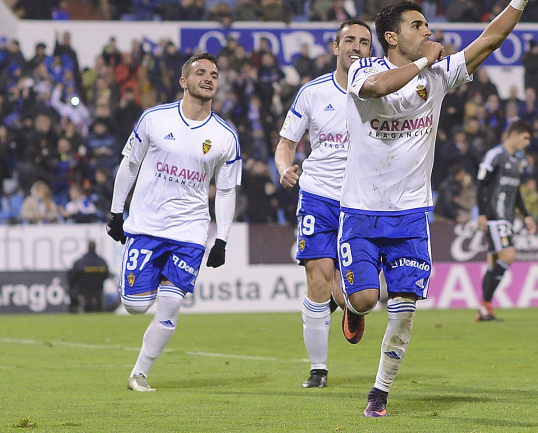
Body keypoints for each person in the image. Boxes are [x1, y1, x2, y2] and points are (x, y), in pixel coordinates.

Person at [337, 0, 538, 417]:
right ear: (391, 37)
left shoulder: (440, 71)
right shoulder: (362, 69)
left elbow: (489, 41)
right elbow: (380, 90)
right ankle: (349, 303)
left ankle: (379, 392)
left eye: (428, 25)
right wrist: (424, 63)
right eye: (417, 26)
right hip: (361, 212)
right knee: (367, 299)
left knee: (406, 308)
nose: (427, 31)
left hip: (411, 213)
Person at [106, 52, 242, 392]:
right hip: (147, 226)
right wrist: (115, 212)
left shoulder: (225, 136)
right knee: (135, 306)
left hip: (190, 231)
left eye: (213, 74)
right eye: (200, 73)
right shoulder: (154, 119)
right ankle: (143, 303)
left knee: (171, 303)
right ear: (184, 81)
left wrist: (221, 238)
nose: (208, 78)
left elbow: (225, 191)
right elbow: (129, 166)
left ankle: (139, 373)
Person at [274, 20, 373, 389]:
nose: (356, 47)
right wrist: (285, 169)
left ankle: (350, 306)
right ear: (336, 47)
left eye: (364, 42)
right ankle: (318, 370)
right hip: (317, 195)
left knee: (350, 291)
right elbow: (286, 143)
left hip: (363, 200)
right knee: (318, 279)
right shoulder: (312, 93)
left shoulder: (381, 89)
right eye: (349, 40)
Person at [476, 119, 538, 322]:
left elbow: (516, 192)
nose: (527, 142)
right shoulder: (496, 155)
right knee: (508, 255)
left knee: (493, 260)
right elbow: (482, 185)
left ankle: (485, 309)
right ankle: (485, 304)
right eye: (525, 137)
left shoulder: (517, 160)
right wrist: (483, 213)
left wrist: (526, 215)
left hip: (508, 218)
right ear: (514, 134)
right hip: (495, 216)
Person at [67, 240, 110, 313]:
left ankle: (76, 309)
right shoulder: (102, 262)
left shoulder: (80, 263)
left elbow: (71, 277)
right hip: (97, 291)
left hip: (82, 291)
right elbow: (106, 275)